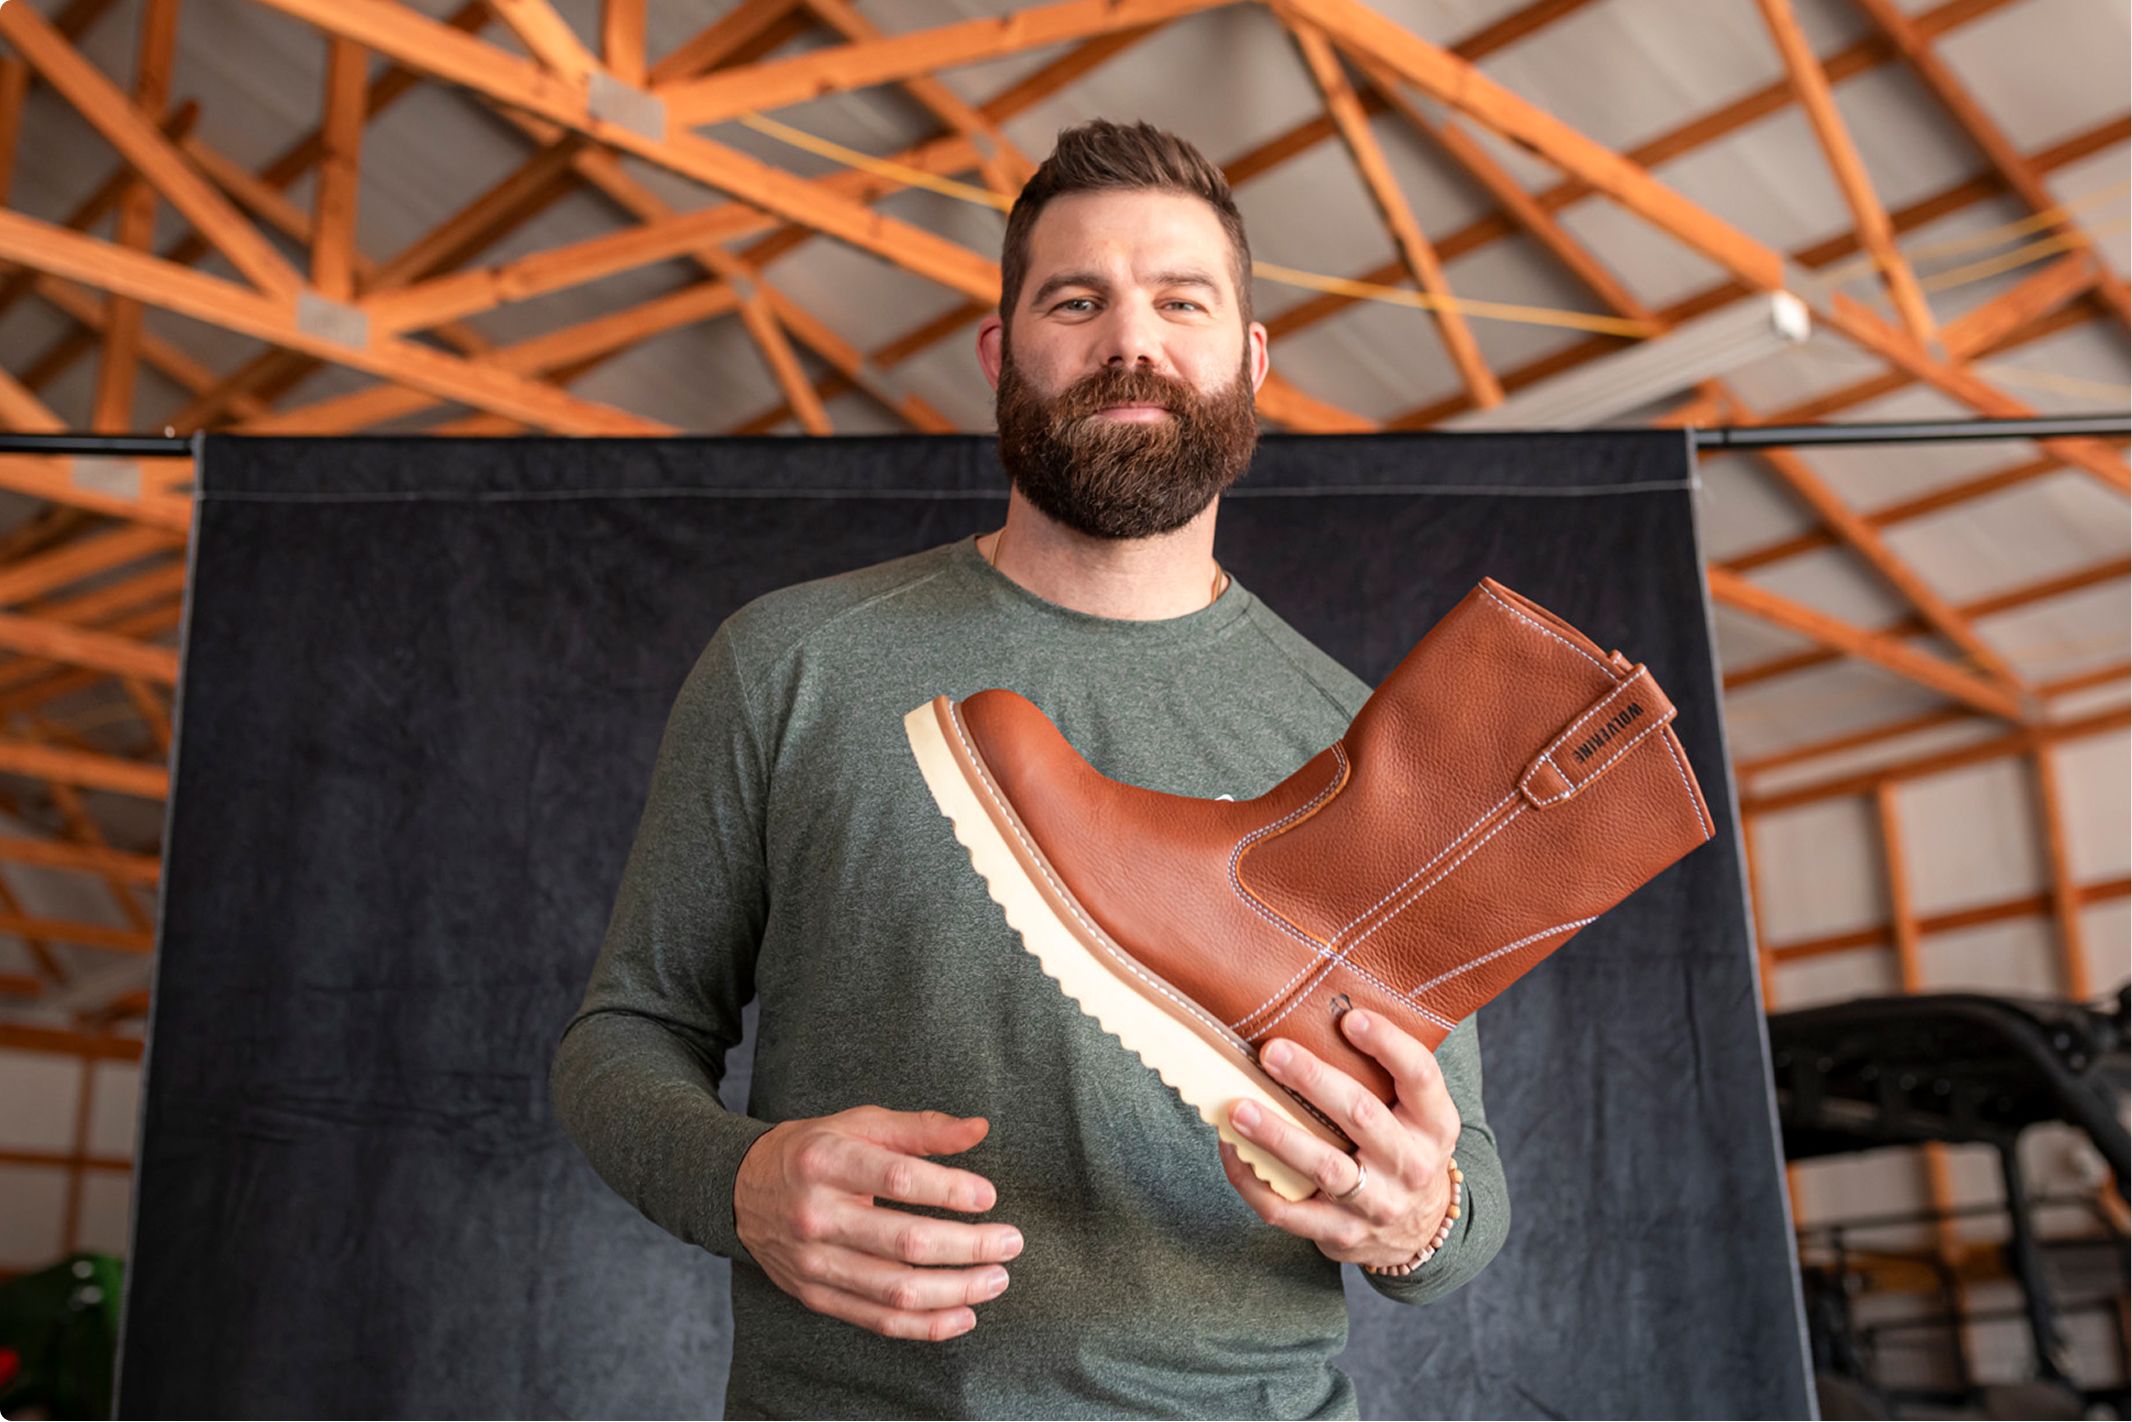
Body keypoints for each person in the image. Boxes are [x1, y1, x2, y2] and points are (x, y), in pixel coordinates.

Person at [551, 117, 1510, 1419]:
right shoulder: (793, 663)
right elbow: (625, 1038)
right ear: (1003, 352)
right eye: (1079, 299)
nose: (1133, 339)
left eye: (1183, 299)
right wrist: (742, 1180)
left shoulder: (1359, 742)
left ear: (1251, 358)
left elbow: (1468, 1190)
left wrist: (1419, 1214)